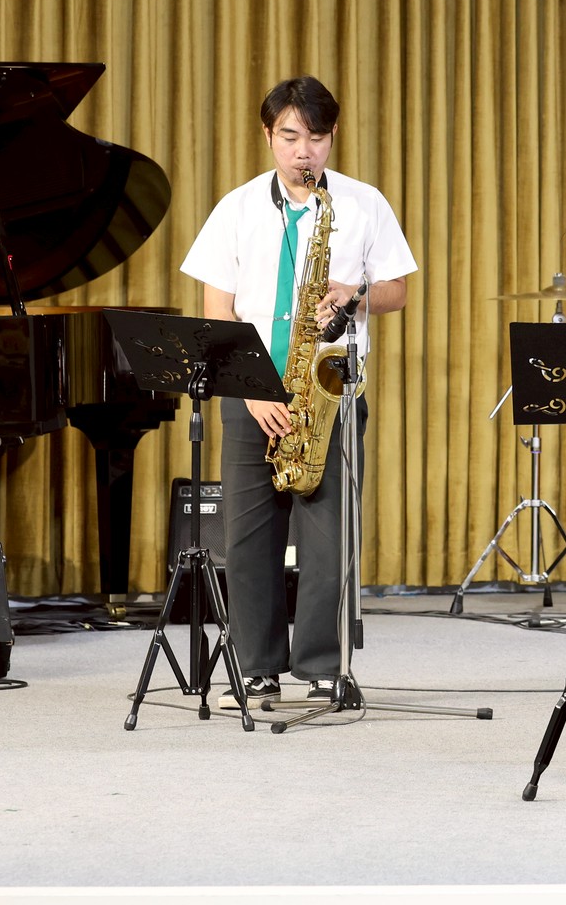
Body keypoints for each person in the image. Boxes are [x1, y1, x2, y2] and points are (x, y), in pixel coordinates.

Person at [180, 76, 414, 705]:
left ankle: (322, 667)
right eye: (289, 137)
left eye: (315, 137)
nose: (302, 151)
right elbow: (218, 311)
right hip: (252, 393)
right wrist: (249, 388)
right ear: (268, 136)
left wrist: (355, 295)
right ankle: (255, 666)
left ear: (332, 137)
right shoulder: (235, 208)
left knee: (329, 540)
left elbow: (397, 290)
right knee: (247, 539)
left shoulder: (363, 204)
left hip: (330, 391)